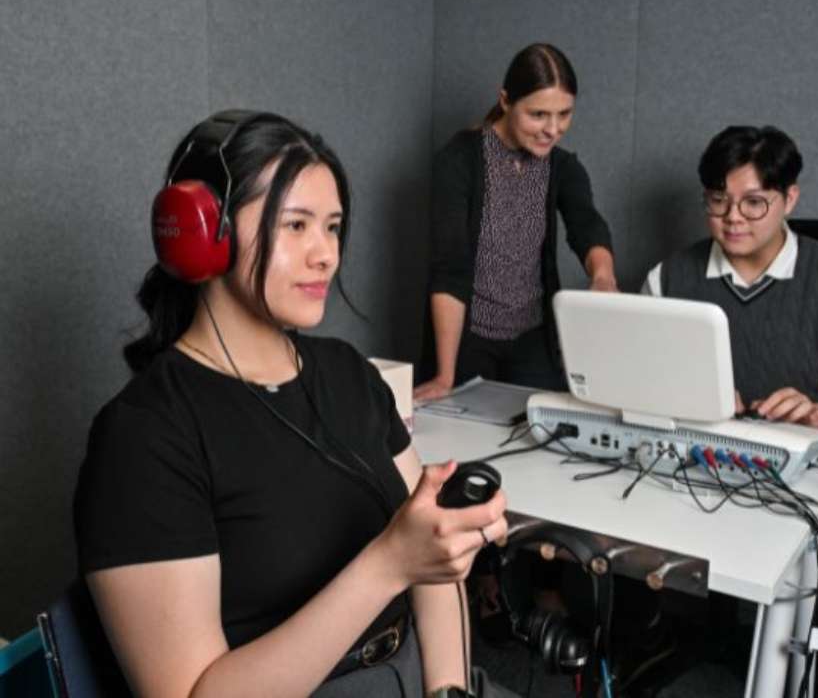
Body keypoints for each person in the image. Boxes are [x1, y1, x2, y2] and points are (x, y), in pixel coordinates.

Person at [73, 111, 508, 698]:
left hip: (420, 678)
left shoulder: (349, 373)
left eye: (332, 227)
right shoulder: (145, 435)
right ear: (208, 235)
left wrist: (449, 689)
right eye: (296, 225)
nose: (326, 254)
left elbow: (426, 557)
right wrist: (386, 566)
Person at [642, 125, 818, 696]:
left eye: (755, 202)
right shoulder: (668, 279)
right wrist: (690, 400)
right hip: (696, 471)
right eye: (718, 201)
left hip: (805, 481)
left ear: (790, 199)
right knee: (667, 607)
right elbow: (641, 389)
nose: (734, 218)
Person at [416, 43, 618, 400]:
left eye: (564, 114)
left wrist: (602, 275)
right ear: (506, 101)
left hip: (533, 340)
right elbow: (449, 269)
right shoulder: (459, 161)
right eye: (538, 114)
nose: (552, 129)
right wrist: (445, 375)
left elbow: (587, 225)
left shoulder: (563, 167)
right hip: (467, 341)